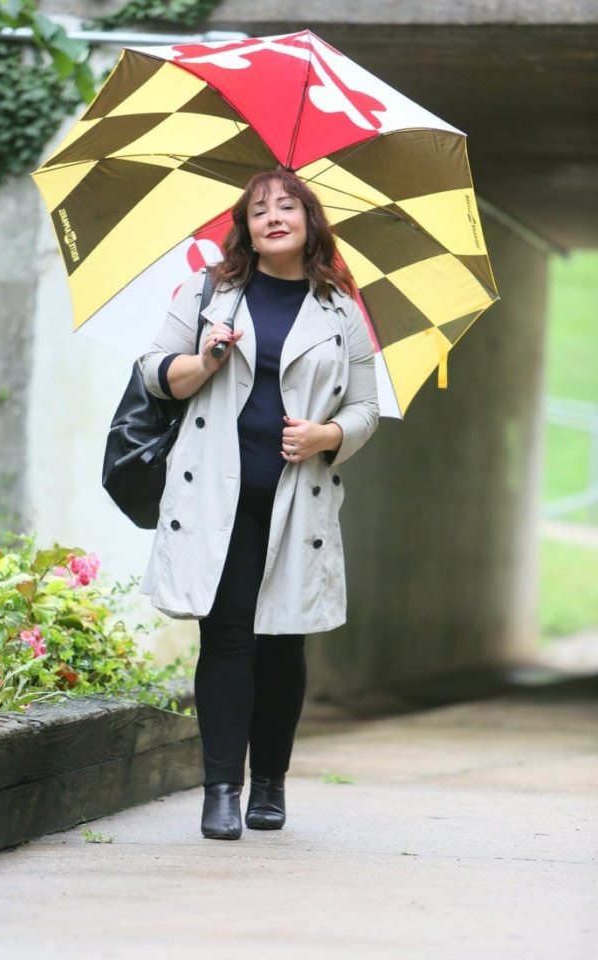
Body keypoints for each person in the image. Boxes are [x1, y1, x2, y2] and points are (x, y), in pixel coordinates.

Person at [139, 169, 379, 840]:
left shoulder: (340, 310)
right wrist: (205, 359)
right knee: (226, 638)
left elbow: (365, 409)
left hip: (295, 498)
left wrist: (327, 434)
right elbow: (155, 371)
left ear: (310, 220)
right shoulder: (210, 291)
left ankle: (269, 784)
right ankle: (221, 790)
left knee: (280, 644)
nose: (273, 215)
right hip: (218, 496)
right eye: (258, 209)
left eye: (287, 205)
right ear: (244, 226)